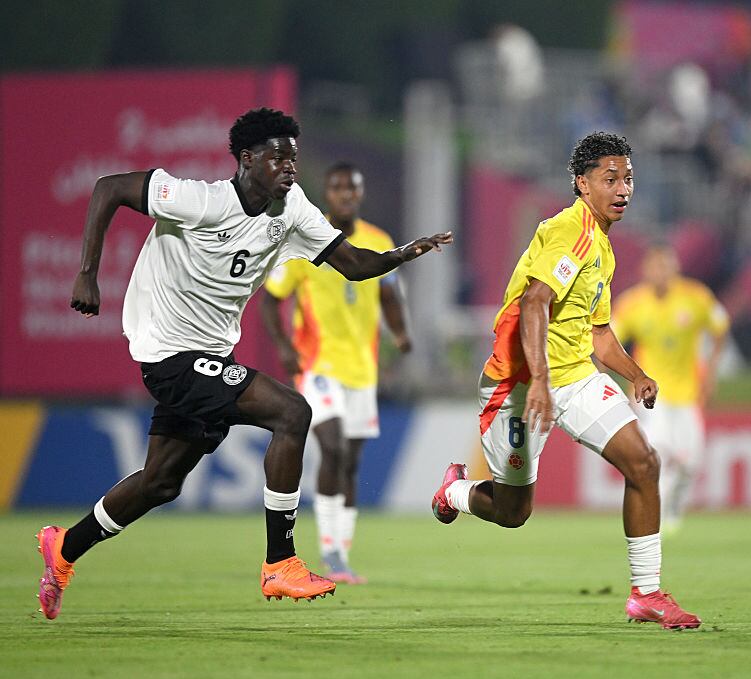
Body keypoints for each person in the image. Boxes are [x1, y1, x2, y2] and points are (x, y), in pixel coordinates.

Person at [36, 108, 452, 620]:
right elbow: (108, 188)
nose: (289, 167)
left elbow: (355, 264)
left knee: (161, 482)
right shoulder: (200, 201)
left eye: (293, 158)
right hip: (167, 353)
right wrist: (86, 274)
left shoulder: (293, 209)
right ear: (247, 159)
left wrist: (403, 254)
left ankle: (63, 548)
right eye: (277, 158)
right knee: (292, 413)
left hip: (210, 354)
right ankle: (280, 562)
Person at [430, 132, 701, 630]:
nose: (623, 189)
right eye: (610, 179)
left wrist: (636, 374)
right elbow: (535, 301)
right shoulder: (568, 230)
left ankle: (646, 593)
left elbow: (597, 334)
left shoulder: (603, 246)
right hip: (516, 385)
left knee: (644, 462)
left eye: (629, 179)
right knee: (513, 512)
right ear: (582, 183)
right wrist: (536, 382)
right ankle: (455, 493)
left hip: (576, 377)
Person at [261, 162, 411, 584]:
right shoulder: (306, 238)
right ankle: (330, 553)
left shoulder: (379, 240)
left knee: (351, 464)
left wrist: (400, 335)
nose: (345, 195)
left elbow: (389, 293)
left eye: (352, 188)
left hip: (361, 369)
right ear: (327, 194)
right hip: (316, 365)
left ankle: (340, 555)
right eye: (338, 188)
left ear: (360, 194)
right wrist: (285, 348)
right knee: (333, 448)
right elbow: (272, 300)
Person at [612, 246, 729, 533]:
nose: (660, 273)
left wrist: (711, 372)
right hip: (651, 395)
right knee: (658, 453)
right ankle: (654, 520)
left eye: (666, 266)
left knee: (690, 462)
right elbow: (609, 341)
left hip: (688, 393)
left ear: (675, 269)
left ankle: (674, 505)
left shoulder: (696, 297)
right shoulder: (632, 303)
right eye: (655, 267)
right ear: (646, 270)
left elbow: (720, 327)